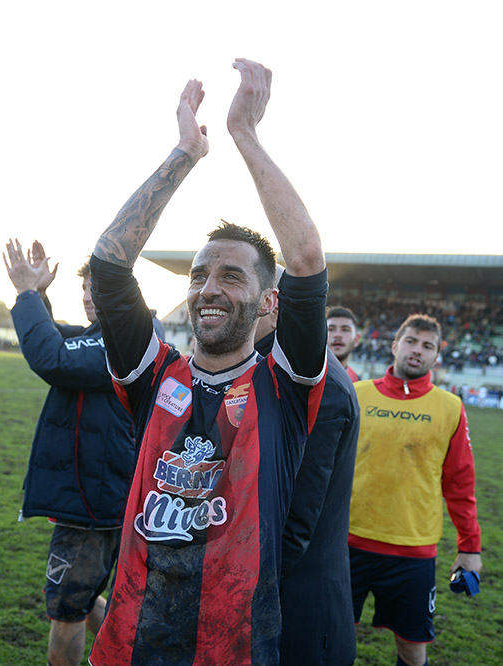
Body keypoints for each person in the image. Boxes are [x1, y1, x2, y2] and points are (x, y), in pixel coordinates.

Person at [87, 59, 329, 665]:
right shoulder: (153, 375)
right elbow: (110, 262)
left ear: (269, 301)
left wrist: (244, 134)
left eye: (231, 275)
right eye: (199, 275)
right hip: (130, 641)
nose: (209, 288)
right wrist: (186, 153)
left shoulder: (284, 386)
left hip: (233, 647)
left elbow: (305, 259)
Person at [2, 239, 162, 666]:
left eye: (98, 288)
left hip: (94, 502)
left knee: (66, 609)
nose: (90, 296)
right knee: (81, 596)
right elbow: (57, 339)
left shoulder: (126, 338)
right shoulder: (113, 334)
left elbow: (53, 358)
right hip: (98, 496)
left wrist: (26, 293)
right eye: (85, 288)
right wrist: (40, 296)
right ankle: (137, 654)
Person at [348, 313, 482, 666]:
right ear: (395, 346)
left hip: (413, 552)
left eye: (427, 346)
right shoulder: (357, 394)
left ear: (436, 356)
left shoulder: (450, 407)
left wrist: (470, 547)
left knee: (412, 647)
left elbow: (460, 483)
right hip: (346, 544)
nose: (417, 350)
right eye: (410, 341)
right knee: (329, 639)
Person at [255, 269, 358, 666]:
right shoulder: (275, 366)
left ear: (273, 305)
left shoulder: (320, 385)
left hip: (296, 615)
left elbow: (295, 523)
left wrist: (235, 587)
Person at [327, 305, 361, 382]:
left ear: (356, 340)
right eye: (331, 329)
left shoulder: (358, 384)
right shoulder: (306, 378)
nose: (337, 335)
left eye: (345, 330)